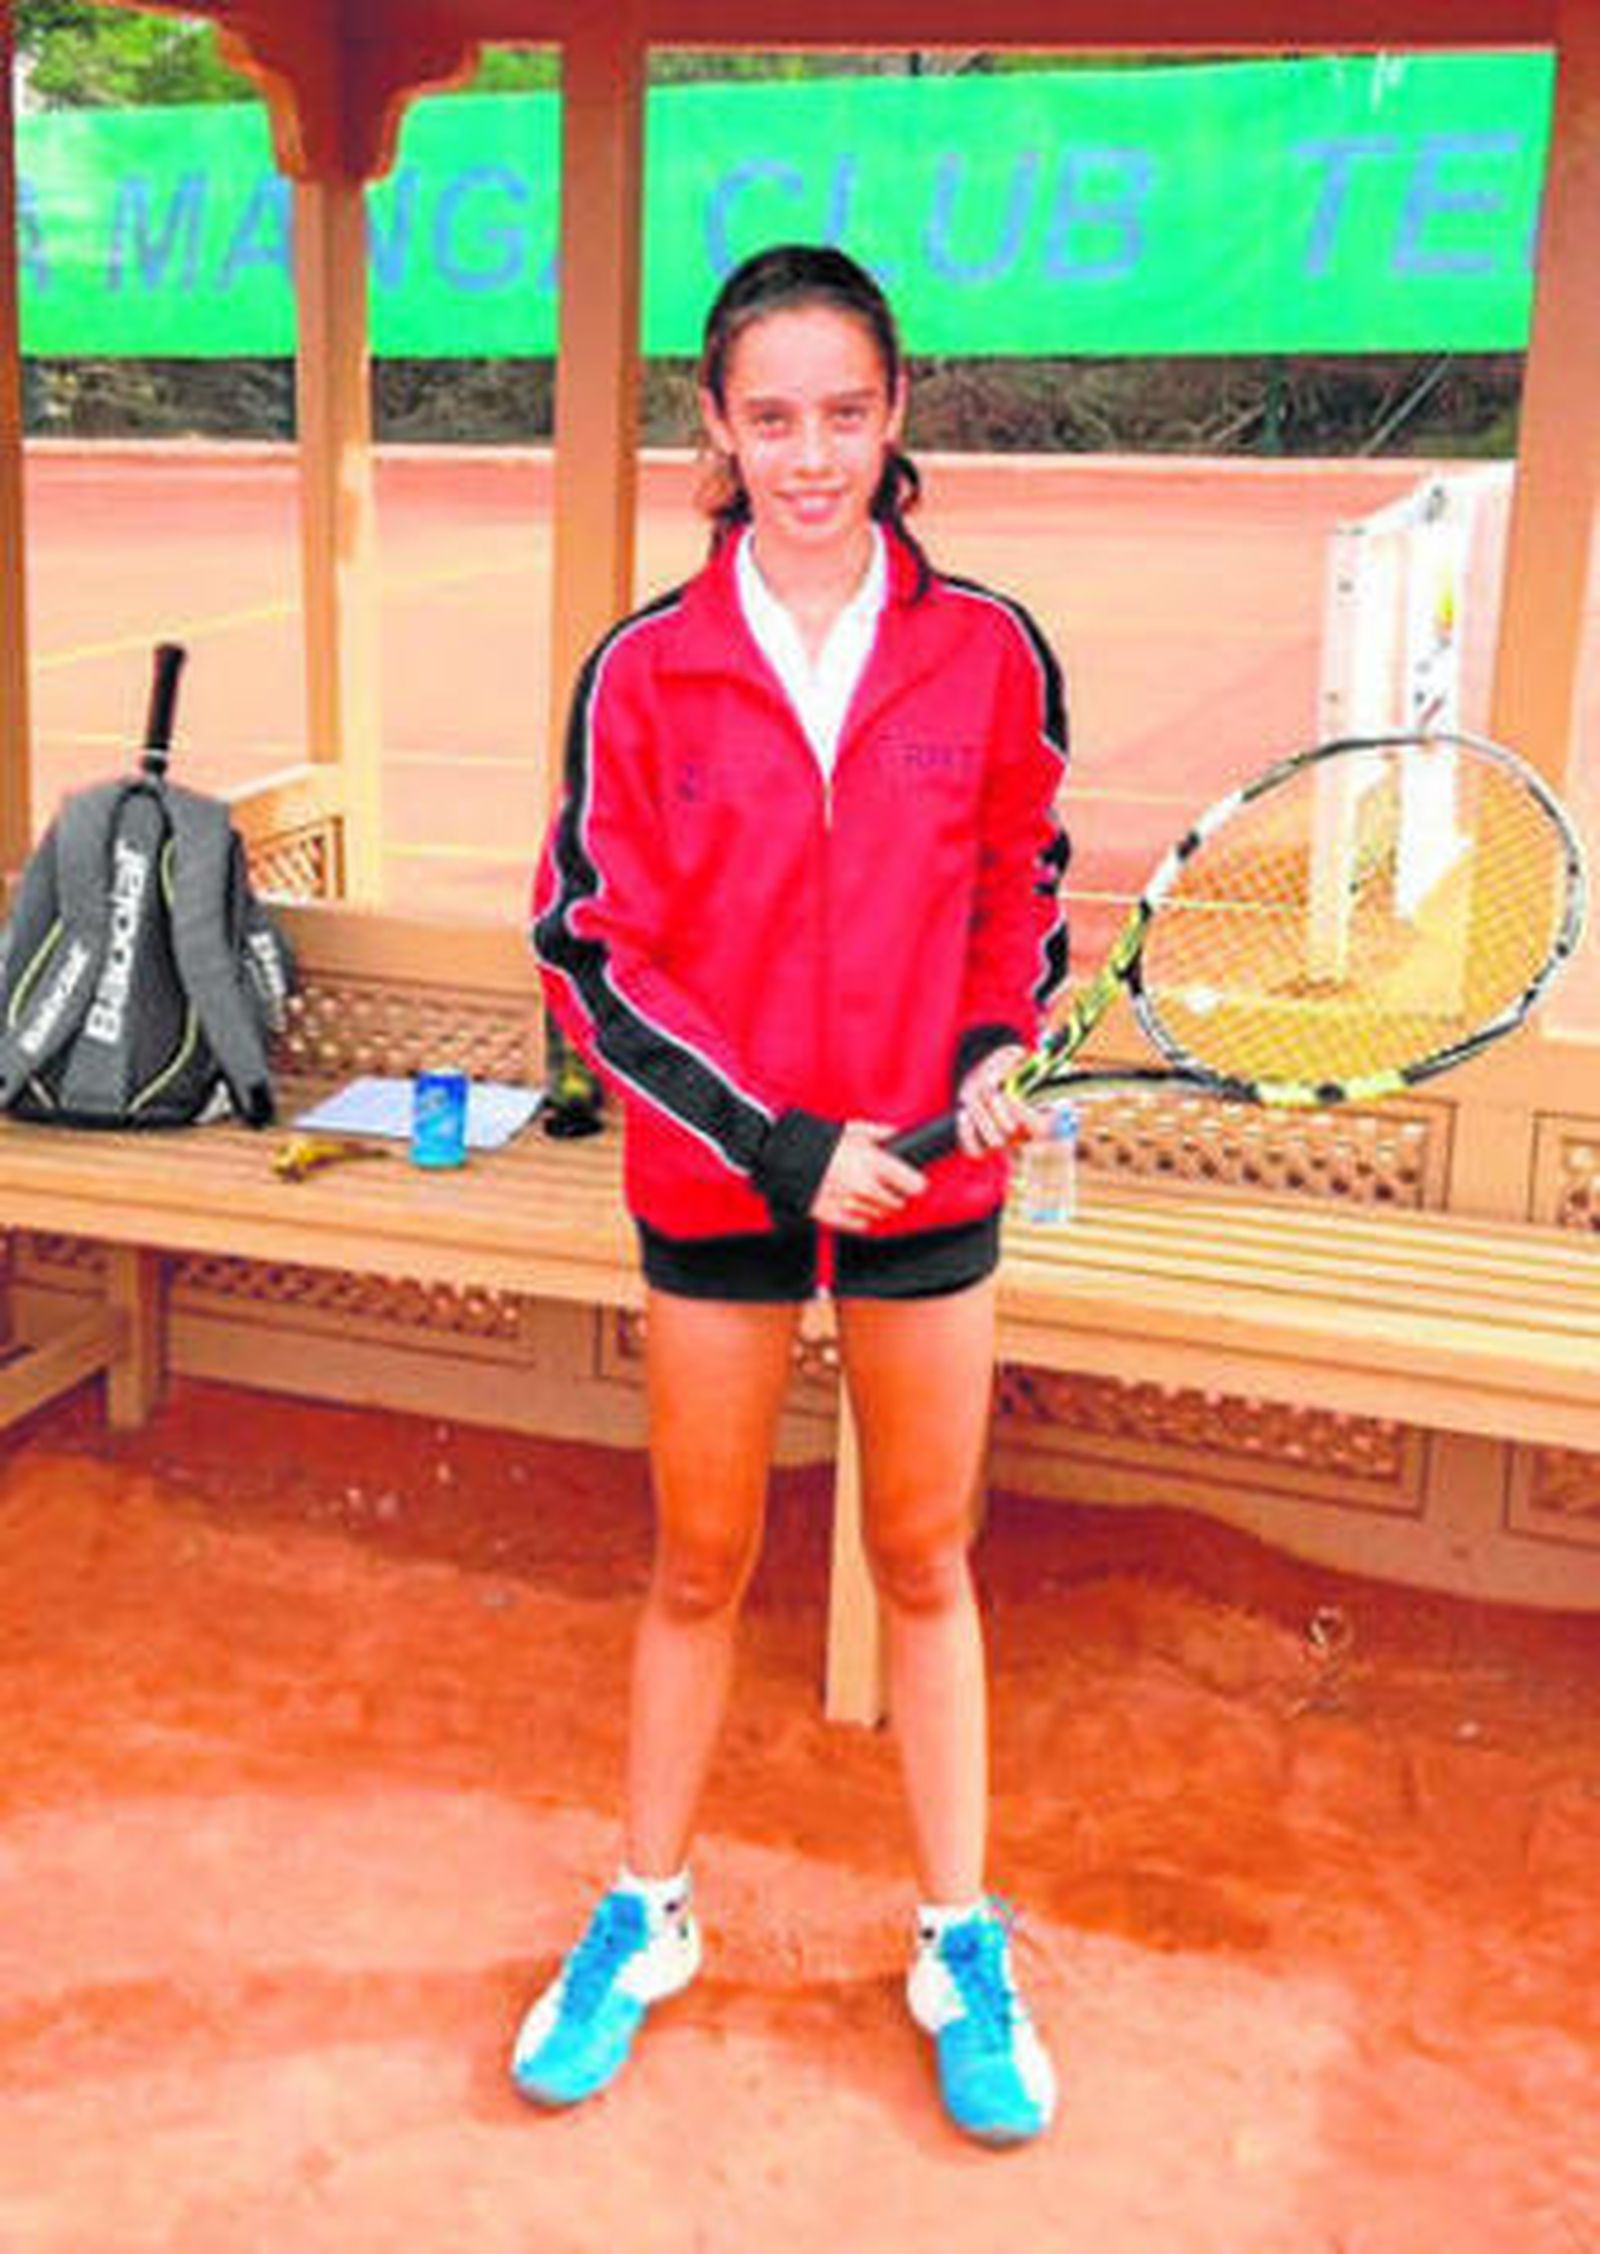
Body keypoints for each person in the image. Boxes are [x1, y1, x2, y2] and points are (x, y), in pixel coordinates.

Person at [517, 243, 1070, 2147]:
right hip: (722, 1180)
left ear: (897, 410)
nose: (812, 454)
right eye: (773, 417)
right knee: (698, 1562)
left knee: (923, 1558)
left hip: (929, 1171)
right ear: (717, 427)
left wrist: (992, 1042)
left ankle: (957, 1940)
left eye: (844, 412)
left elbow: (1019, 886)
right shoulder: (644, 670)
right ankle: (648, 1909)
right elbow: (595, 956)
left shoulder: (987, 649)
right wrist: (777, 1142)